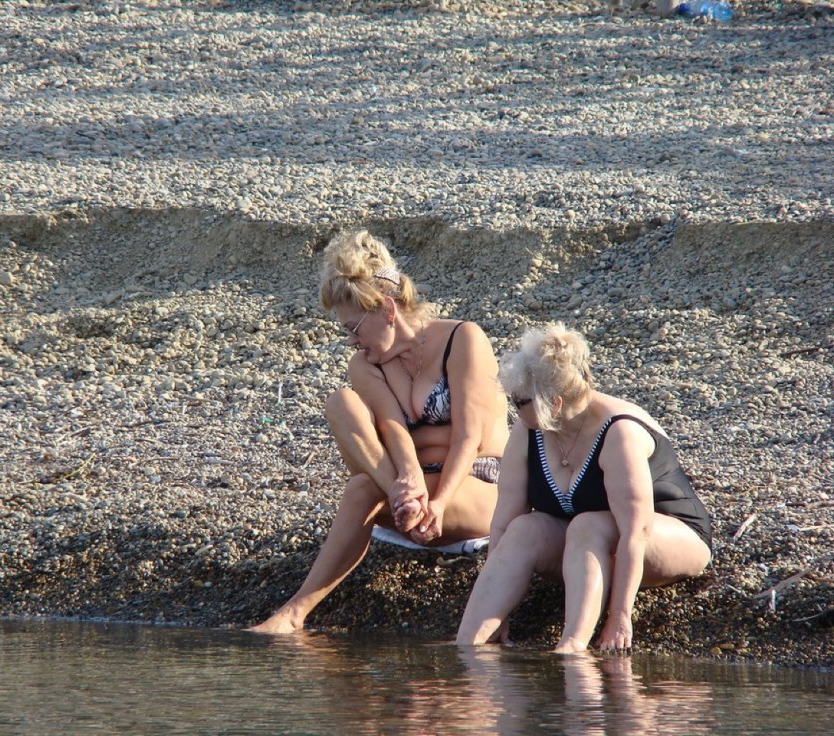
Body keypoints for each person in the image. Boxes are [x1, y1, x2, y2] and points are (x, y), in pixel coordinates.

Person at [250, 229, 508, 634]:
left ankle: (294, 613)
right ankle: (294, 613)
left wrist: (438, 503)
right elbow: (391, 426)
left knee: (359, 490)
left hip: (474, 484)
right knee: (342, 404)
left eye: (354, 328)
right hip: (410, 488)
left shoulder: (462, 338)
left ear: (388, 310)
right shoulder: (367, 364)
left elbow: (469, 437)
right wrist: (407, 481)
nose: (352, 341)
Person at [456, 322, 712, 653]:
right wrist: (499, 607)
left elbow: (637, 531)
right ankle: (468, 645)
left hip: (666, 536)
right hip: (586, 542)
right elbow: (504, 522)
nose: (514, 408)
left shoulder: (619, 432)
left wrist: (620, 616)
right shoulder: (528, 429)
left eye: (520, 401)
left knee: (588, 524)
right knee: (523, 528)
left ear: (555, 403)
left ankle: (572, 648)